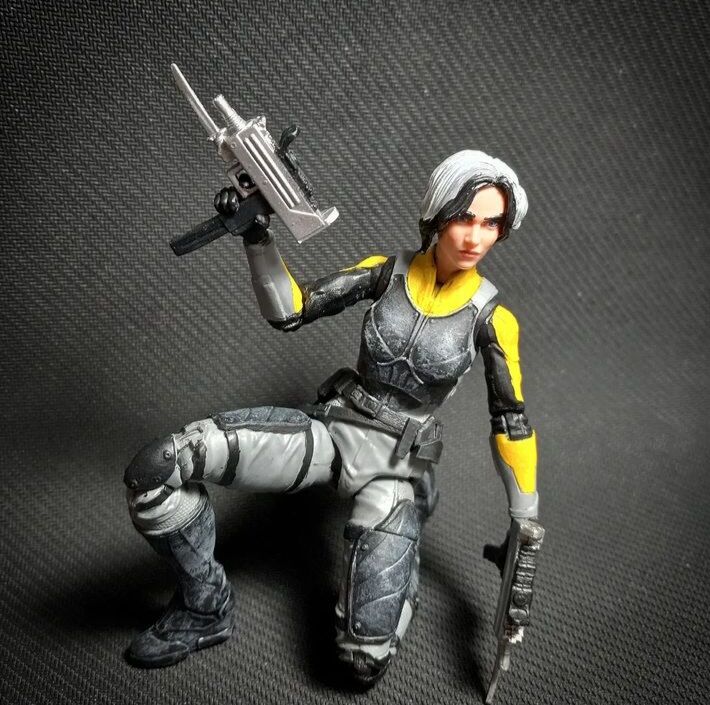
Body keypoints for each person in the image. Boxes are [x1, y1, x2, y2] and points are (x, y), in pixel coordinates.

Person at [123, 149, 539, 685]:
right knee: (158, 470)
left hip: (394, 468)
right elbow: (291, 311)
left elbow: (511, 422)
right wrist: (256, 236)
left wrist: (524, 518)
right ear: (437, 213)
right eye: (464, 217)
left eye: (492, 224)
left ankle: (401, 557)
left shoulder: (493, 319)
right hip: (332, 434)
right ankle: (204, 606)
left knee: (363, 662)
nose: (475, 237)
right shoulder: (385, 272)